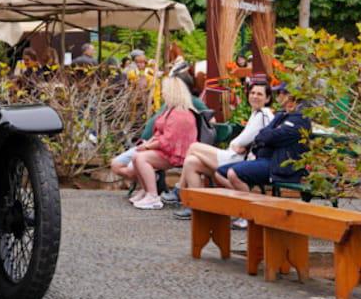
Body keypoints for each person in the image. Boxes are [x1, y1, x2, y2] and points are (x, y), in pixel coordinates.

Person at [112, 76, 199, 210]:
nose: (162, 92)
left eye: (164, 90)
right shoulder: (171, 110)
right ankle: (147, 191)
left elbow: (168, 141)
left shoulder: (179, 114)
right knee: (137, 155)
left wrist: (147, 146)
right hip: (169, 150)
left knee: (141, 157)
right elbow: (160, 134)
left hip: (177, 154)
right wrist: (147, 145)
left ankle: (153, 196)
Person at [178, 80, 275, 195]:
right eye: (252, 93)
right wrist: (241, 145)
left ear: (267, 99)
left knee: (194, 147)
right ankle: (196, 205)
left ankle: (179, 190)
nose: (254, 96)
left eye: (259, 94)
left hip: (238, 160)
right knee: (191, 162)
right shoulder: (256, 113)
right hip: (235, 155)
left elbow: (242, 142)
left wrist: (238, 145)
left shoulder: (263, 114)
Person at [217, 85, 311, 191]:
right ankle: (245, 200)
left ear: (290, 97)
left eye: (280, 93)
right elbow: (261, 136)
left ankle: (249, 205)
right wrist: (268, 135)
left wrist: (268, 135)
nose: (278, 97)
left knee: (233, 173)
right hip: (263, 160)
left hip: (280, 167)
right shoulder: (281, 115)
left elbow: (270, 137)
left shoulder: (300, 119)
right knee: (219, 172)